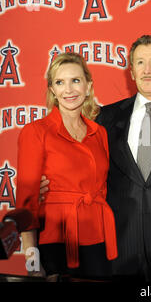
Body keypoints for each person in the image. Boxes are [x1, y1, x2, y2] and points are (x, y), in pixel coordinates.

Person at [40, 35, 151, 283]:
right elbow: (84, 171)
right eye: (140, 63)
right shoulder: (104, 119)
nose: (147, 70)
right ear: (131, 71)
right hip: (120, 251)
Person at [16, 52, 118, 281]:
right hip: (56, 239)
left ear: (88, 85)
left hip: (98, 240)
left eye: (75, 81)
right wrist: (32, 263)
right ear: (52, 89)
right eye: (60, 82)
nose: (69, 90)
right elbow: (26, 203)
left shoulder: (99, 132)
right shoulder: (36, 132)